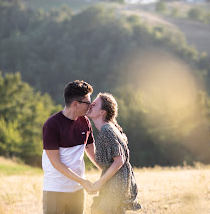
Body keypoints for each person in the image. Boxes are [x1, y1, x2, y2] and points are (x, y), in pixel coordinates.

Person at [42, 80, 98, 214]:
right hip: (55, 189)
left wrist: (106, 171)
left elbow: (91, 150)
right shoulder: (52, 125)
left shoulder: (85, 121)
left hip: (77, 190)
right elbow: (56, 162)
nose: (90, 106)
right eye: (88, 103)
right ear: (76, 104)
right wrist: (83, 181)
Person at [86, 92, 142, 214]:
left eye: (94, 104)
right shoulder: (109, 128)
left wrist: (99, 183)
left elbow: (119, 160)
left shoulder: (107, 131)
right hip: (117, 183)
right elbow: (108, 163)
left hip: (115, 185)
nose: (90, 105)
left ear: (102, 112)